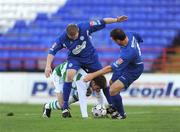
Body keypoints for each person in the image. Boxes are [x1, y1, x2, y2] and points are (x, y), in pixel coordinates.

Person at [44, 15, 128, 118]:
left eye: (76, 36)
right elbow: (52, 51)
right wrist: (48, 66)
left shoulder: (85, 27)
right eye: (72, 37)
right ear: (67, 35)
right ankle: (65, 106)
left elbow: (103, 21)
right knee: (70, 75)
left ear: (78, 31)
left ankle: (112, 106)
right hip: (75, 59)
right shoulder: (62, 38)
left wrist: (116, 20)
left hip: (91, 58)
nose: (75, 38)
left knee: (102, 80)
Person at [84, 28, 144, 119]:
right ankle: (114, 107)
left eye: (114, 40)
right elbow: (139, 38)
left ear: (119, 40)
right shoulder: (129, 34)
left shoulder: (128, 53)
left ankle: (121, 114)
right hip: (127, 65)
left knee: (112, 90)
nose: (114, 42)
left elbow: (110, 68)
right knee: (111, 83)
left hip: (133, 69)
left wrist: (92, 75)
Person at [43, 62, 107, 118]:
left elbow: (99, 95)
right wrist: (85, 117)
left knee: (87, 92)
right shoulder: (84, 80)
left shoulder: (93, 79)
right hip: (59, 75)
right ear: (93, 83)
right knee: (61, 104)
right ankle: (47, 106)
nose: (97, 90)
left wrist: (102, 107)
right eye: (97, 88)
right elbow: (82, 100)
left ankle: (65, 107)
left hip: (71, 77)